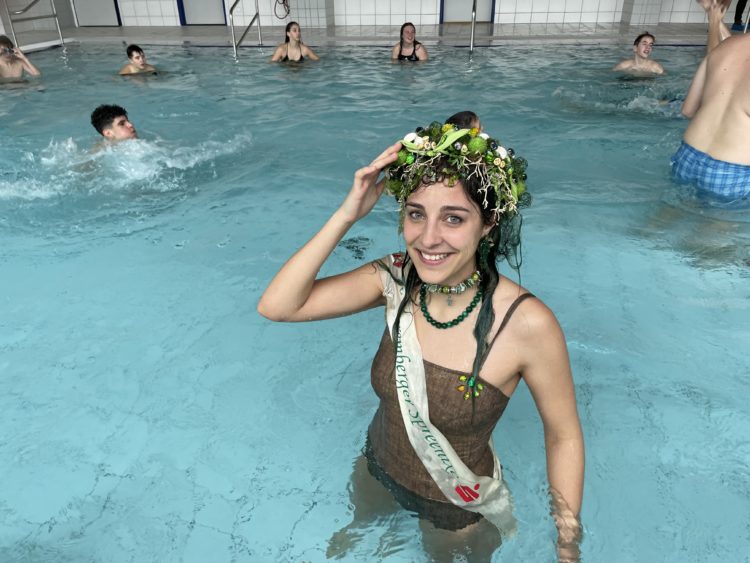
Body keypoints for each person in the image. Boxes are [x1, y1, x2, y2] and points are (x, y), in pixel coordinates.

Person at [258, 120, 584, 559]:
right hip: (376, 466)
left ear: (488, 224)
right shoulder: (395, 278)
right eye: (416, 214)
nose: (428, 239)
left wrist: (567, 543)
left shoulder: (527, 323)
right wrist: (346, 215)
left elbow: (563, 435)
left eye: (453, 218)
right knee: (360, 533)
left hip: (455, 508)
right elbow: (278, 306)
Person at [673, 17, 750, 202]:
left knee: (664, 217)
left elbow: (688, 110)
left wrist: (715, 20)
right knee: (712, 229)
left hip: (687, 156)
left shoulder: (726, 45)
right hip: (732, 172)